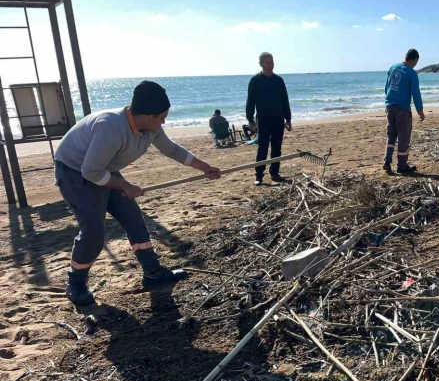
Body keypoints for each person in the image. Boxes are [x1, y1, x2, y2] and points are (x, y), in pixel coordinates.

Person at [53, 81, 222, 306]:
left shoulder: (150, 128)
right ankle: (75, 283)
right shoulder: (111, 128)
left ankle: (152, 272)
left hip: (103, 169)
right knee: (93, 233)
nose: (164, 121)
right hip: (75, 172)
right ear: (148, 115)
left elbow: (172, 149)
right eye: (162, 117)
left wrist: (204, 167)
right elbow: (90, 172)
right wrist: (125, 186)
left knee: (133, 218)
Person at [246, 52, 292, 185]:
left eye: (272, 62)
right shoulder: (255, 81)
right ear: (261, 64)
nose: (270, 65)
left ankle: (274, 173)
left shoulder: (279, 80)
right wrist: (250, 120)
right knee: (263, 148)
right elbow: (250, 102)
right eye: (267, 62)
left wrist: (288, 119)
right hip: (263, 119)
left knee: (277, 148)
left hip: (278, 119)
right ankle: (259, 175)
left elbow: (285, 100)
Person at [384, 48, 424, 175]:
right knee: (403, 137)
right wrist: (420, 110)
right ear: (415, 60)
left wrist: (389, 101)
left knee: (391, 135)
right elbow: (415, 93)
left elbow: (387, 87)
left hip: (390, 106)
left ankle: (387, 161)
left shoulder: (393, 68)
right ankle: (402, 166)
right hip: (402, 109)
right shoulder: (411, 73)